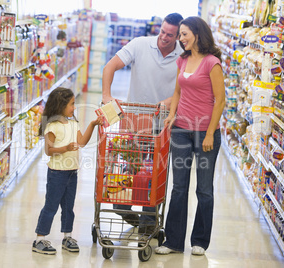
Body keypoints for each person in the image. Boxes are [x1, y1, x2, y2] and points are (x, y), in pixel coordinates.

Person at [101, 13, 184, 232]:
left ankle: (148, 224)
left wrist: (169, 101)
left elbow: (188, 87)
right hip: (134, 121)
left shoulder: (183, 55)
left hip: (162, 123)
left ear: (178, 35)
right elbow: (110, 67)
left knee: (155, 174)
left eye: (170, 35)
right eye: (162, 32)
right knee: (129, 169)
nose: (164, 38)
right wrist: (107, 95)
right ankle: (124, 209)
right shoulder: (140, 44)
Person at [154, 16, 225, 255]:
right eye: (180, 35)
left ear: (197, 34)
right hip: (182, 131)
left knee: (204, 189)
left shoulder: (211, 63)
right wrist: (172, 114)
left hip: (205, 133)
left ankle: (199, 242)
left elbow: (220, 101)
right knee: (179, 187)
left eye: (184, 34)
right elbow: (177, 91)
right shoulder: (182, 60)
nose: (180, 39)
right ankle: (173, 241)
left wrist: (210, 133)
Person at [32, 87, 103, 255]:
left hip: (72, 172)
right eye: (72, 104)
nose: (74, 107)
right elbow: (49, 151)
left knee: (69, 207)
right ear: (60, 105)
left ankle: (67, 236)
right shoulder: (52, 126)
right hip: (57, 173)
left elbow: (82, 142)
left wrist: (92, 125)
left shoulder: (73, 123)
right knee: (51, 206)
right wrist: (65, 148)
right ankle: (39, 239)